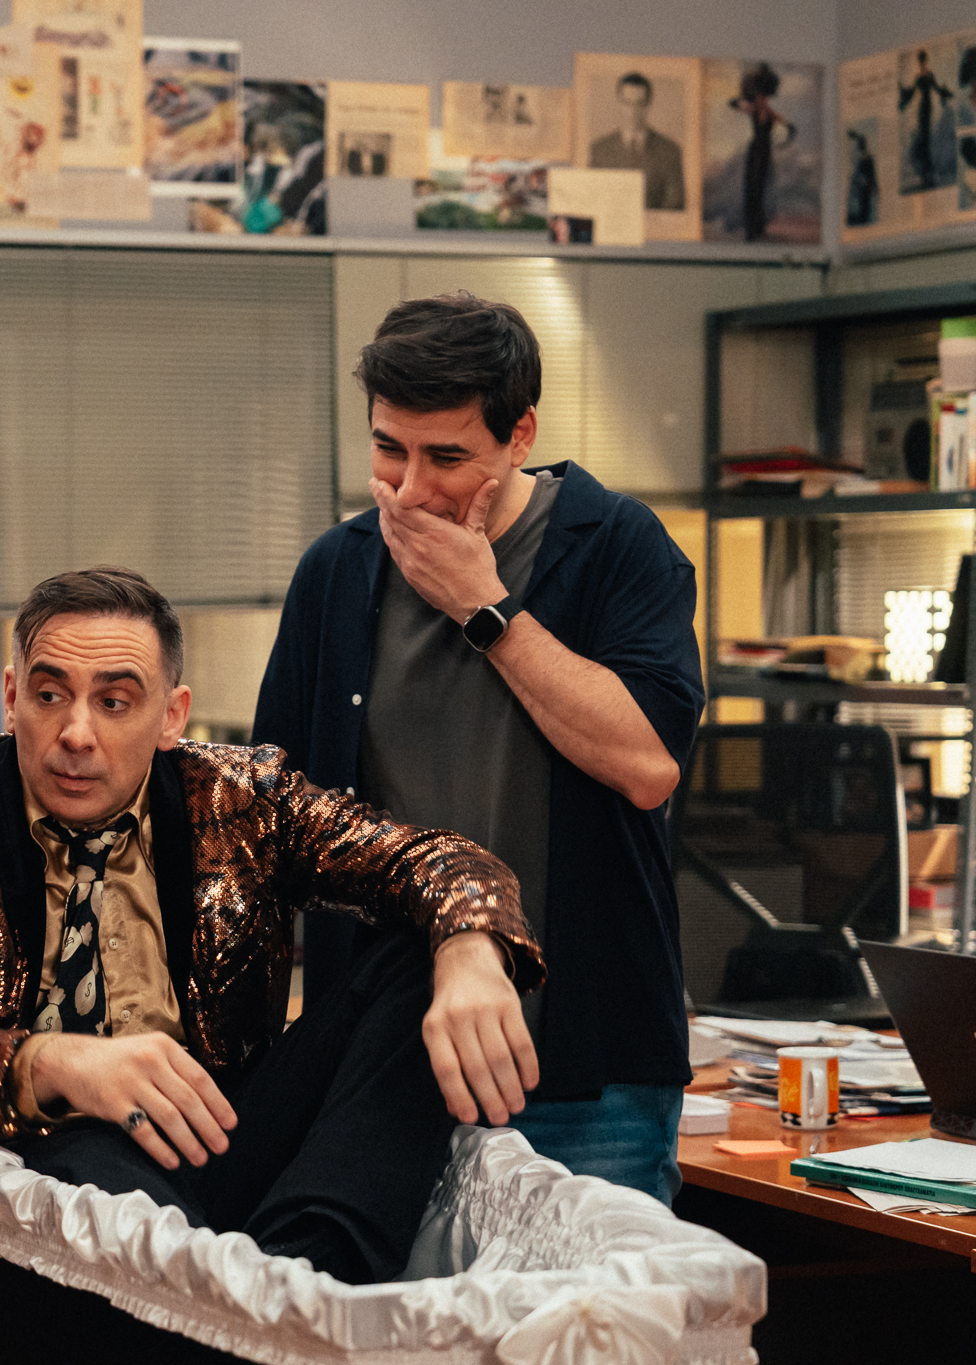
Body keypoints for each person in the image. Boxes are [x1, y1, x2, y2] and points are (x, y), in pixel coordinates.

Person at [0, 567, 544, 1286]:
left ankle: (304, 1279)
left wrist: (468, 949)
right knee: (81, 1148)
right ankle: (232, 1302)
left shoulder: (243, 799)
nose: (76, 734)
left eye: (114, 702)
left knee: (423, 956)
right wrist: (60, 1064)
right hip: (53, 1147)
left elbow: (437, 859)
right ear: (13, 697)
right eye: (49, 695)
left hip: (221, 1125)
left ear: (171, 716)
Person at [252, 292, 704, 1205]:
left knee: (596, 1299)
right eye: (390, 449)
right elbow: (273, 822)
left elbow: (649, 765)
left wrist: (483, 607)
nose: (412, 488)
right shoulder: (337, 570)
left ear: (520, 434)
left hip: (585, 1072)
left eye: (447, 457)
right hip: (382, 1066)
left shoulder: (619, 545)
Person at [588, 72, 685, 210]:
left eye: (640, 104)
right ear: (619, 103)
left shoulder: (669, 151)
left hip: (654, 224)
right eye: (627, 103)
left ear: (649, 105)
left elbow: (675, 205)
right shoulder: (600, 150)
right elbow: (592, 201)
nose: (633, 111)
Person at [729, 63, 791, 241]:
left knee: (761, 187)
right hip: (756, 150)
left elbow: (785, 124)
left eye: (763, 96)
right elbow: (733, 103)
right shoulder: (754, 109)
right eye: (759, 95)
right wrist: (743, 100)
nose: (762, 99)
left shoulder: (769, 112)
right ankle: (751, 228)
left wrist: (788, 130)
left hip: (765, 152)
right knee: (753, 187)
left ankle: (758, 226)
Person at [898, 49, 953, 190]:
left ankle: (928, 174)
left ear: (925, 61)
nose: (922, 63)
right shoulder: (918, 78)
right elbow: (911, 94)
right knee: (923, 140)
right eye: (920, 61)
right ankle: (926, 174)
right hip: (922, 110)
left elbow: (937, 88)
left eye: (923, 61)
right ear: (919, 62)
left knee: (926, 141)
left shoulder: (930, 75)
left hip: (928, 109)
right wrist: (903, 93)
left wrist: (946, 93)